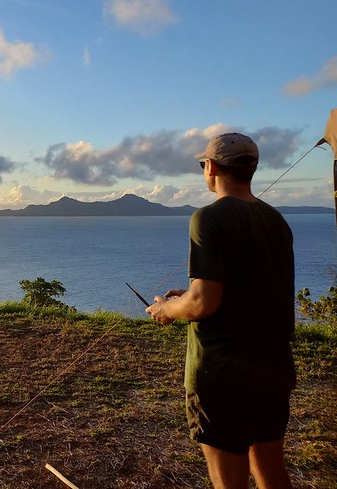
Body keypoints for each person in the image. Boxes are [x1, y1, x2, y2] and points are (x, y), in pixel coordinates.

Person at [146, 132, 295, 489]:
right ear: (252, 169)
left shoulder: (208, 218)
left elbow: (203, 303)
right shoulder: (276, 220)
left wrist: (167, 308)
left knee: (229, 481)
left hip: (223, 374)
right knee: (271, 469)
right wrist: (193, 293)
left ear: (210, 167)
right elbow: (254, 290)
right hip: (273, 367)